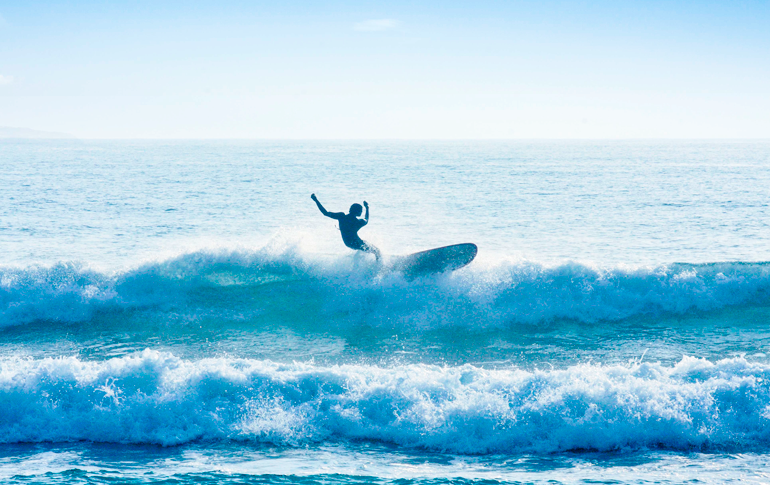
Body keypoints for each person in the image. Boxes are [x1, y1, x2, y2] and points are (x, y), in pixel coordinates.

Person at [311, 193, 381, 261]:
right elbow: (366, 219)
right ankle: (378, 266)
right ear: (357, 212)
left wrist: (316, 200)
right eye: (361, 211)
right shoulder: (358, 222)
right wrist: (367, 208)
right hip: (357, 243)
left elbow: (325, 213)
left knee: (366, 246)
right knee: (377, 251)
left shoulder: (341, 217)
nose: (361, 212)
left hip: (348, 243)